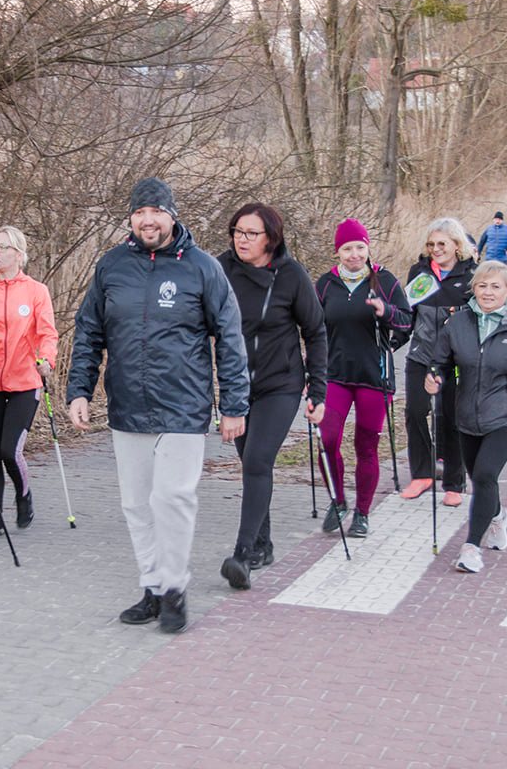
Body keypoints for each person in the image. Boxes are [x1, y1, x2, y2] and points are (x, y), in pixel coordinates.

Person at [67, 178, 249, 634]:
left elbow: (229, 339)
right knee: (136, 504)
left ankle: (174, 588)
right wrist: (79, 390)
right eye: (140, 212)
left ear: (172, 215)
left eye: (157, 211)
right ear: (131, 218)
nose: (148, 220)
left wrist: (234, 404)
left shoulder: (202, 269)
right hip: (128, 403)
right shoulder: (112, 266)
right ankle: (152, 586)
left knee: (173, 498)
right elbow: (89, 331)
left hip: (183, 405)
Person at [216, 203, 327, 589]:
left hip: (281, 384)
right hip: (236, 386)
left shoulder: (292, 276)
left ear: (271, 239)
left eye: (251, 234)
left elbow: (315, 332)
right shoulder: (221, 270)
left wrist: (319, 388)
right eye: (237, 231)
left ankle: (243, 554)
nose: (241, 240)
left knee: (259, 460)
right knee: (250, 461)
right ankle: (264, 543)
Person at [426, 261, 507, 573]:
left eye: (496, 286)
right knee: (480, 479)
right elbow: (439, 362)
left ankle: (471, 548)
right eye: (482, 285)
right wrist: (434, 376)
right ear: (475, 289)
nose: (488, 292)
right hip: (467, 414)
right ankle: (497, 516)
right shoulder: (457, 325)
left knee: (484, 475)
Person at [314, 219, 413, 538]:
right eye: (347, 249)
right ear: (337, 252)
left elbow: (407, 322)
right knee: (327, 439)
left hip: (374, 376)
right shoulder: (325, 284)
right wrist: (308, 370)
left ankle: (362, 512)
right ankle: (339, 500)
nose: (354, 254)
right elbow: (313, 329)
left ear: (368, 248)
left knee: (366, 447)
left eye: (359, 247)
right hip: (335, 374)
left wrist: (386, 313)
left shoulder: (384, 280)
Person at [0, 225, 59, 538]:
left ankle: (24, 495)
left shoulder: (36, 291)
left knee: (9, 450)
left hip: (25, 382)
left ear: (18, 254)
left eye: (2, 247)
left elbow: (48, 333)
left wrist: (47, 358)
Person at [402, 218, 476, 509]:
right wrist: (391, 337)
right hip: (421, 354)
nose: (436, 249)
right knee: (416, 411)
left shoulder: (470, 275)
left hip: (454, 359)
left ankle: (455, 483)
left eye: (442, 244)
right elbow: (407, 314)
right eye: (431, 244)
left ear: (457, 245)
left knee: (451, 417)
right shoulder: (419, 273)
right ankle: (422, 473)